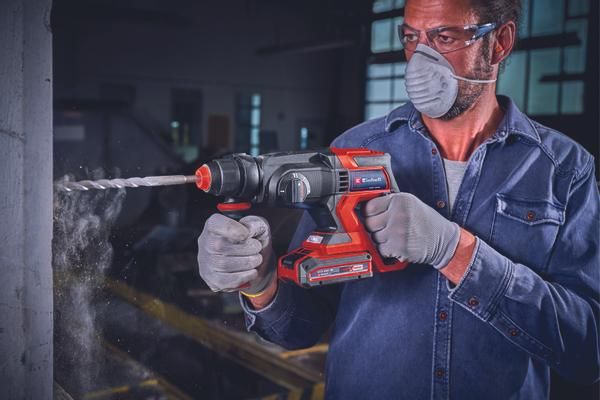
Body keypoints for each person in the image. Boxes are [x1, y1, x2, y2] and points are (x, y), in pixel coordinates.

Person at [197, 0, 600, 398]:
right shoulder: (354, 149)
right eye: (411, 38)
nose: (420, 60)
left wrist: (455, 251)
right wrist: (261, 282)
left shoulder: (563, 169)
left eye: (444, 37)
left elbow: (589, 349)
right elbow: (297, 328)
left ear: (500, 42)